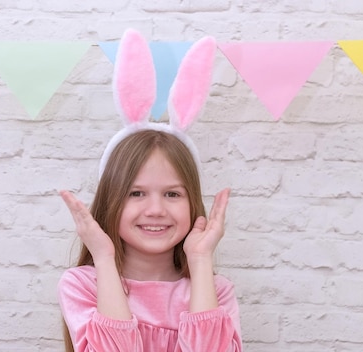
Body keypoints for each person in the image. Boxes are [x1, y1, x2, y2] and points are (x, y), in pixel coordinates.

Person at [57, 29, 242, 351]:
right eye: (136, 193)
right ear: (112, 199)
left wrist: (199, 261)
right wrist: (103, 257)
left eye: (172, 194)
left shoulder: (216, 290)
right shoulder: (83, 284)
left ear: (192, 201)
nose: (156, 209)